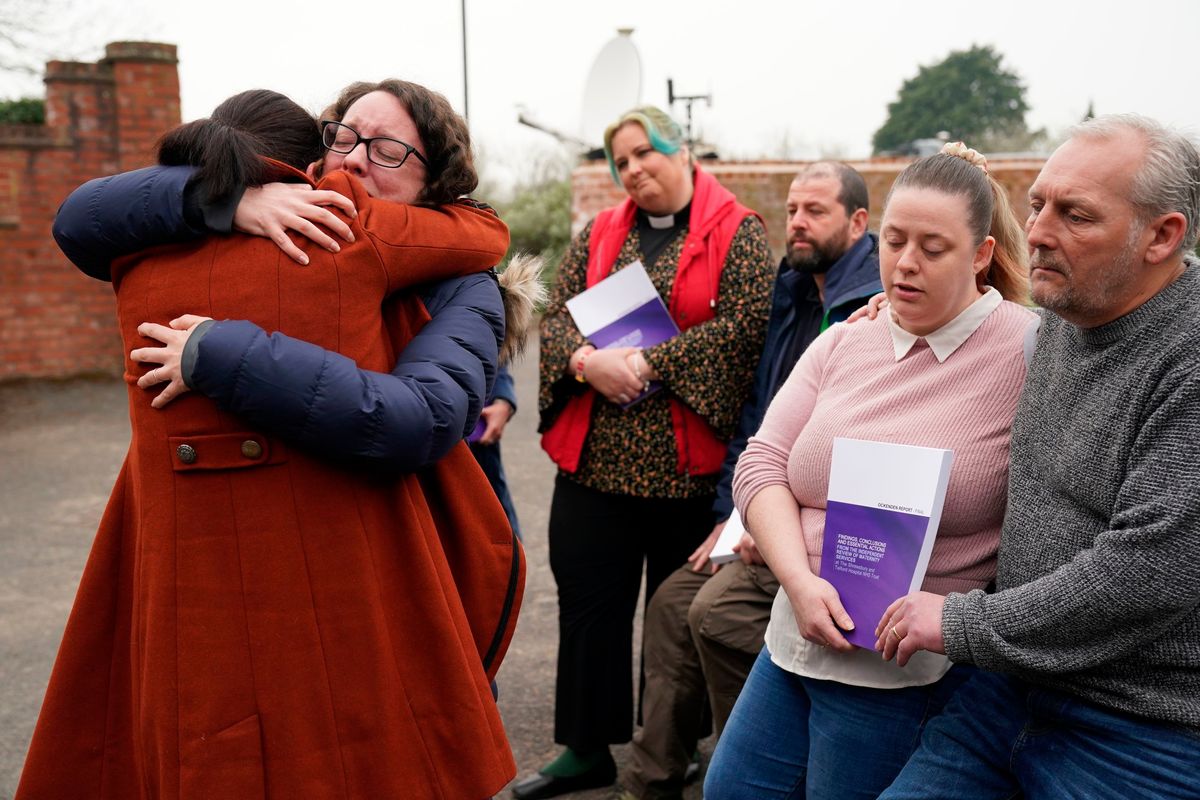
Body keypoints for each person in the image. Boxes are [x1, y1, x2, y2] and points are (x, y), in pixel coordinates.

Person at [19, 84, 525, 800]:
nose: (353, 160)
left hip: (404, 567)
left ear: (434, 176)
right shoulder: (280, 232)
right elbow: (77, 216)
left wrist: (223, 354)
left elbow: (417, 419)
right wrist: (229, 200)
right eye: (341, 137)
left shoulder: (458, 283)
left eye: (386, 149)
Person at [874, 115, 1200, 800]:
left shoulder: (1187, 358)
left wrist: (960, 622)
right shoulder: (1063, 317)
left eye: (1075, 215)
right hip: (1009, 694)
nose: (1041, 232)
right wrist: (890, 318)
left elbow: (1149, 572)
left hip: (1141, 729)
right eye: (1038, 204)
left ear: (1163, 236)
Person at [703, 143, 1038, 800]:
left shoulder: (1028, 347)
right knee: (731, 789)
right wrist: (798, 583)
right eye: (894, 240)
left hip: (902, 664)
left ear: (981, 255)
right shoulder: (845, 338)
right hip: (796, 633)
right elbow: (763, 464)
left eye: (934, 249)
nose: (906, 263)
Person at [517, 106, 775, 800]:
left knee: (675, 617)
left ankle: (674, 745)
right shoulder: (601, 232)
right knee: (589, 605)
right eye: (620, 162)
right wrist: (584, 366)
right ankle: (585, 747)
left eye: (644, 153)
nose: (633, 170)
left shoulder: (738, 232)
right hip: (597, 464)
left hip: (684, 474)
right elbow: (559, 313)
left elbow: (744, 330)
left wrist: (648, 362)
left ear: (681, 149)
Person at [618, 162, 882, 800]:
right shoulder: (788, 294)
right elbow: (758, 420)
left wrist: (782, 527)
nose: (797, 223)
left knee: (712, 614)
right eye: (793, 209)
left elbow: (862, 446)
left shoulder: (870, 311)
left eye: (815, 211)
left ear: (858, 222)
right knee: (670, 605)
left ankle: (751, 774)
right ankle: (650, 783)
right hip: (760, 508)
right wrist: (731, 514)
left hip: (820, 528)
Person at [470, 363, 522, 538]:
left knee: (501, 543)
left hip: (479, 448)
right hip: (415, 457)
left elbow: (496, 353)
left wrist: (503, 398)